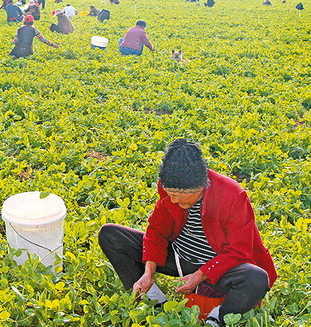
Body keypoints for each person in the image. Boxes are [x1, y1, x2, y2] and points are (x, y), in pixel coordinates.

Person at [98, 139, 277, 326]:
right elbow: (156, 231)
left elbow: (239, 251)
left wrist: (200, 275)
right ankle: (154, 300)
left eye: (178, 195)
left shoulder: (232, 195)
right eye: (169, 194)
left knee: (257, 278)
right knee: (110, 235)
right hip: (179, 258)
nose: (172, 200)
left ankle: (218, 318)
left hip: (217, 268)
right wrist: (148, 272)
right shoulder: (168, 189)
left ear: (199, 187)